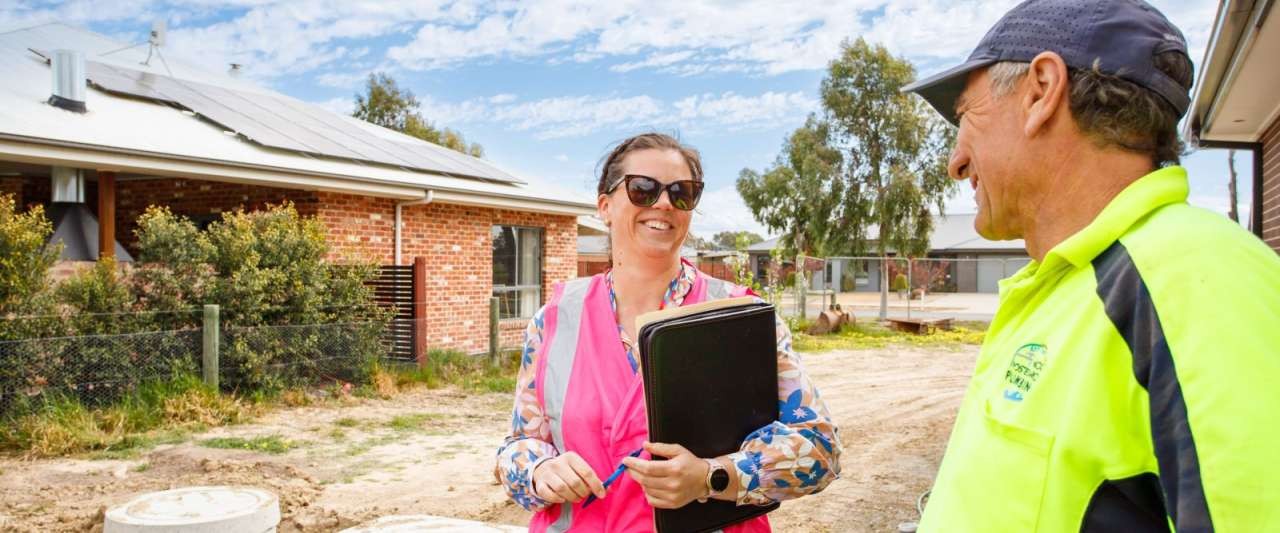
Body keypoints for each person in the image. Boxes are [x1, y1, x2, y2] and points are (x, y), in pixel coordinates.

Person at [900, 0, 1280, 530]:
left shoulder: (1195, 281)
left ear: (1041, 90)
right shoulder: (1069, 282)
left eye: (966, 117)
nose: (955, 160)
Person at [494, 133, 842, 532]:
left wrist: (714, 475)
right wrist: (539, 470)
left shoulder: (741, 317)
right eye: (643, 189)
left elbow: (820, 450)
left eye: (681, 192)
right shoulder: (553, 322)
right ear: (605, 206)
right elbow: (516, 448)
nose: (662, 203)